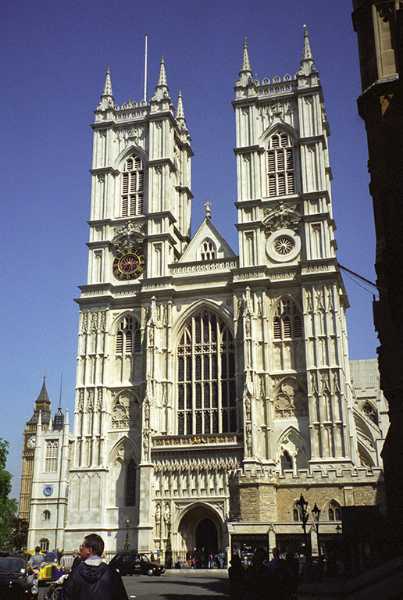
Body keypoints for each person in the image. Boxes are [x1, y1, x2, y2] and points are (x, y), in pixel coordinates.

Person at [62, 533, 128, 600]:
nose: (80, 548)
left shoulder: (75, 573)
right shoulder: (113, 574)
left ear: (89, 550)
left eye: (82, 546)